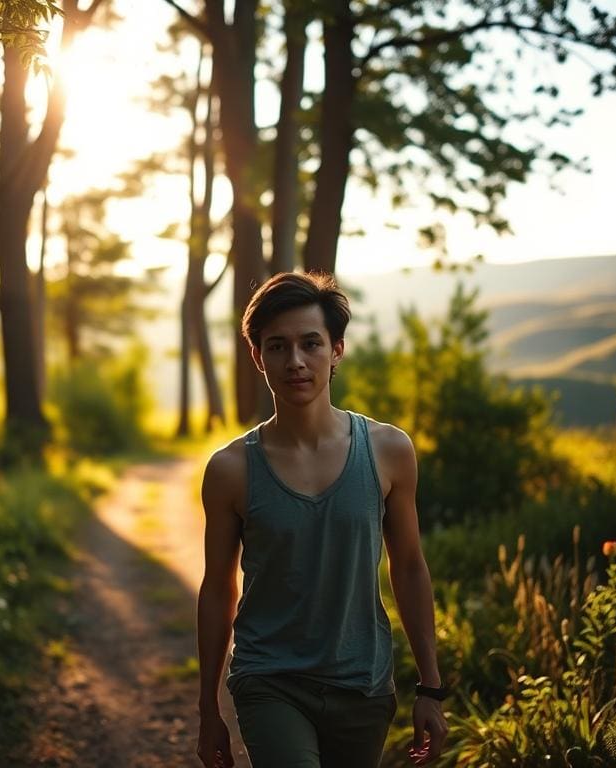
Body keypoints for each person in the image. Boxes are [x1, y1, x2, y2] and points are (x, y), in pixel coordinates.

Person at [195, 271, 448, 768]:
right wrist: (207, 708)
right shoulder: (230, 470)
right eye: (277, 346)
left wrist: (431, 687)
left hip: (363, 684)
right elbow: (217, 587)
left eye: (311, 343)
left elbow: (411, 568)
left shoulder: (389, 451)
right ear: (257, 357)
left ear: (336, 350)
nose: (295, 362)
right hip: (269, 680)